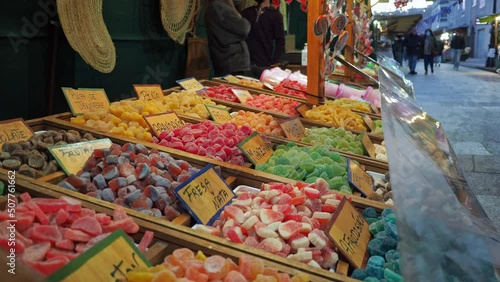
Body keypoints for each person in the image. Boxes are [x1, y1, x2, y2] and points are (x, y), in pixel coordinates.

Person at [205, 0, 251, 76]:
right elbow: (243, 28)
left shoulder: (220, 6)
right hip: (230, 62)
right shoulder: (218, 6)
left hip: (233, 63)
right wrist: (235, 11)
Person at [241, 0, 285, 77]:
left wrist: (276, 61)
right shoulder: (247, 13)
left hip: (265, 63)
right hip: (247, 62)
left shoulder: (275, 15)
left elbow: (280, 40)